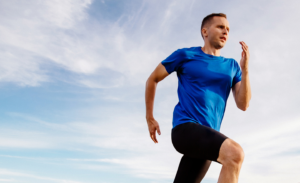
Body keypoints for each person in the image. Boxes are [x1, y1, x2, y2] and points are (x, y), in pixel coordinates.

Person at [145, 13, 251, 183]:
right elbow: (153, 79)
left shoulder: (232, 66)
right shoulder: (185, 55)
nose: (225, 32)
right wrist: (150, 117)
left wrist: (245, 71)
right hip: (185, 129)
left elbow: (243, 104)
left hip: (208, 135)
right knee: (234, 154)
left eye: (228, 29)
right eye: (220, 27)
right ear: (205, 31)